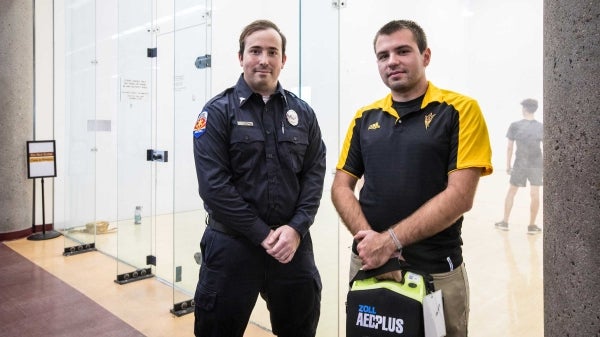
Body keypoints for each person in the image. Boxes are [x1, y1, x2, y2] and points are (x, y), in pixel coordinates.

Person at [331, 20, 493, 337]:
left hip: (435, 271)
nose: (392, 60)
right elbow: (341, 186)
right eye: (383, 55)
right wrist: (372, 245)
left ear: (425, 56)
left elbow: (460, 195)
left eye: (403, 51)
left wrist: (389, 241)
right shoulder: (365, 117)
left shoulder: (460, 110)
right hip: (369, 265)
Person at [192, 19, 326, 337]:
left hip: (292, 247)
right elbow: (214, 188)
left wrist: (296, 228)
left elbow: (314, 174)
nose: (264, 59)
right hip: (232, 247)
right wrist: (262, 234)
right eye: (255, 51)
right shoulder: (217, 113)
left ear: (283, 60)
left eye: (272, 51)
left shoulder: (303, 114)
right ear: (241, 57)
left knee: (300, 328)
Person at [495, 99, 543, 234]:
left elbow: (509, 148)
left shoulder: (515, 125)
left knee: (511, 192)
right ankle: (532, 226)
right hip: (536, 164)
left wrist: (508, 165)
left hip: (520, 163)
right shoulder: (541, 127)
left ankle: (504, 222)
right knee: (535, 194)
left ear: (525, 109)